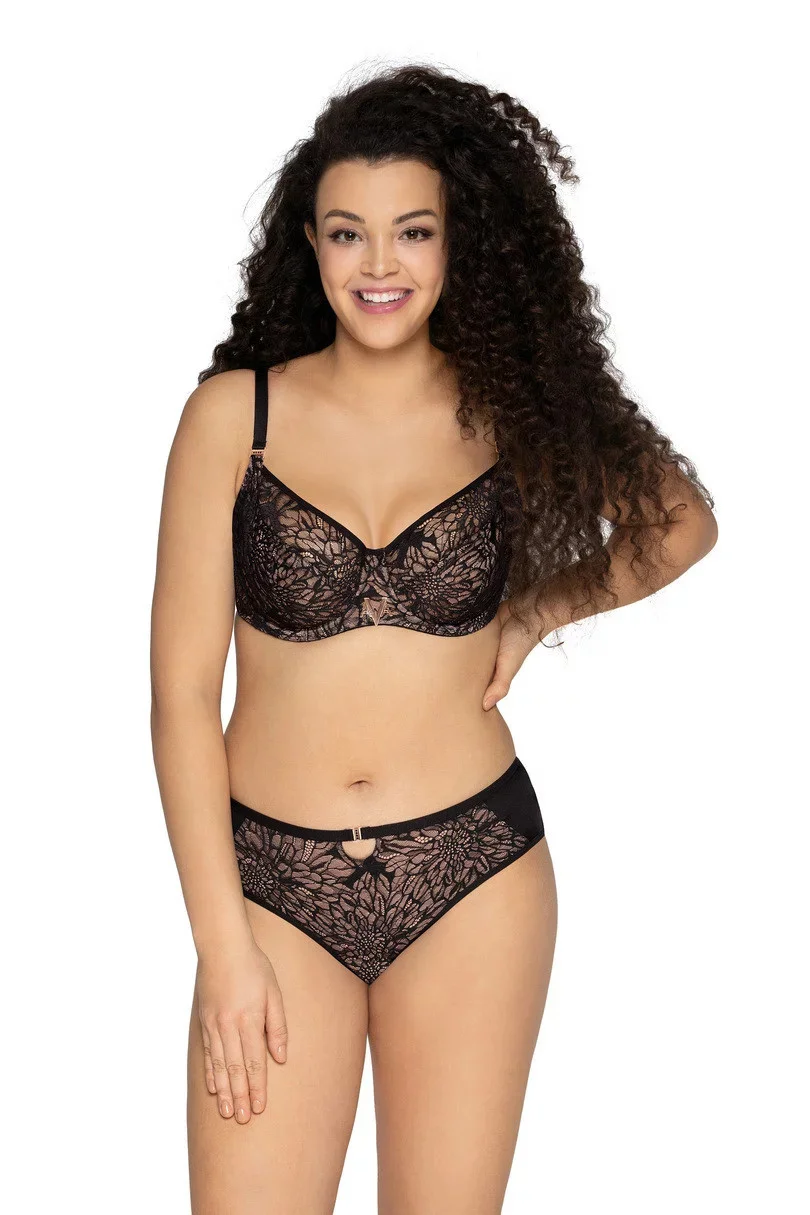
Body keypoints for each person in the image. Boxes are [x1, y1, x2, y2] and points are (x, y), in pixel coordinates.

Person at [150, 63, 718, 1214]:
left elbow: (680, 522)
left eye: (413, 231)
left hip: (476, 874)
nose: (380, 264)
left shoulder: (512, 404)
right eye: (348, 233)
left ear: (460, 242)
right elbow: (178, 702)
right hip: (271, 884)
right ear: (310, 244)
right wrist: (223, 947)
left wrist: (540, 608)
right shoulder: (233, 419)